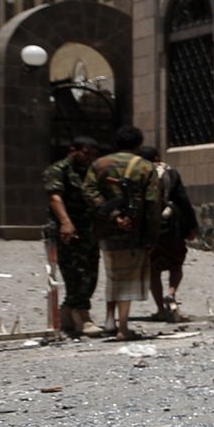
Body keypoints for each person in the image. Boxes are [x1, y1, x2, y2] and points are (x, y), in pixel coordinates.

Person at [84, 126, 161, 340]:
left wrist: (113, 215)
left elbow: (89, 191)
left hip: (107, 230)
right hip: (134, 231)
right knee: (127, 278)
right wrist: (152, 235)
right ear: (138, 144)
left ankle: (110, 320)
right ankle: (123, 328)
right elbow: (153, 202)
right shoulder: (145, 167)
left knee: (113, 274)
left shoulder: (99, 164)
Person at [43, 136, 101, 338]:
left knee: (91, 272)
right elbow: (55, 197)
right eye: (86, 153)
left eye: (93, 154)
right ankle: (82, 316)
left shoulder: (90, 172)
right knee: (76, 273)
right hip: (67, 230)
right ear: (73, 150)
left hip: (89, 230)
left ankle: (67, 314)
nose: (90, 157)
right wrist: (66, 222)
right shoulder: (58, 170)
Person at [139, 145, 198, 321]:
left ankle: (159, 309)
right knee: (176, 264)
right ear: (157, 157)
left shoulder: (139, 173)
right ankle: (171, 293)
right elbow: (183, 200)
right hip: (173, 225)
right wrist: (193, 226)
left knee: (153, 269)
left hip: (150, 227)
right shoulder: (170, 172)